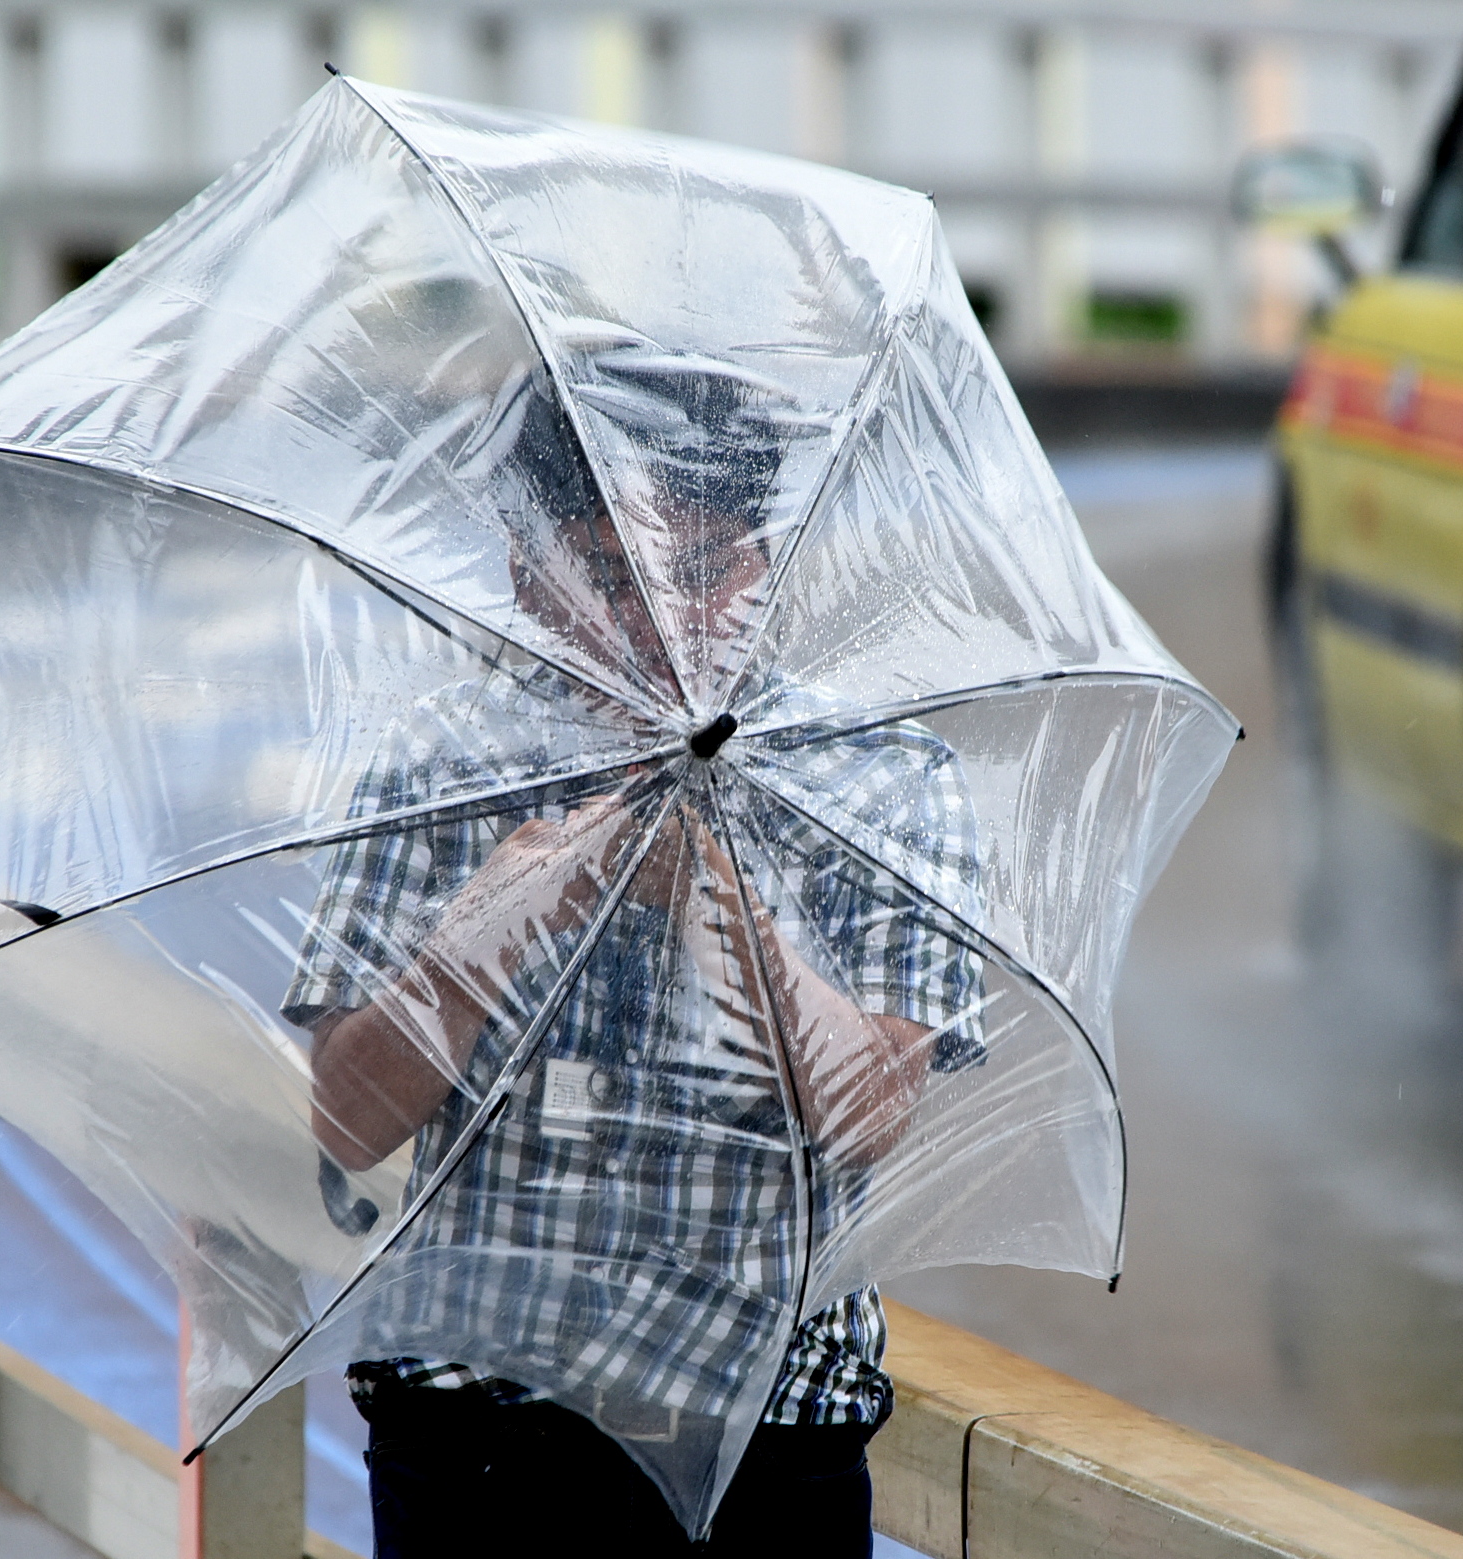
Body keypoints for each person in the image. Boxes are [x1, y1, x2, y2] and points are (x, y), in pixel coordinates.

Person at [281, 364, 983, 1556]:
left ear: (760, 570)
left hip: (770, 1421)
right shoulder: (445, 763)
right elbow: (348, 1119)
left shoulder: (881, 781)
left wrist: (728, 897)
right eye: (612, 579)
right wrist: (494, 924)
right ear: (530, 579)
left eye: (702, 573)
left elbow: (866, 1113)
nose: (662, 625)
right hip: (474, 1423)